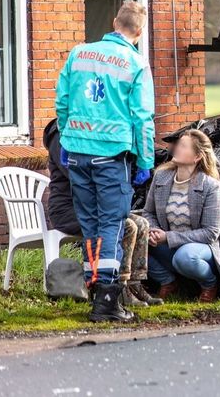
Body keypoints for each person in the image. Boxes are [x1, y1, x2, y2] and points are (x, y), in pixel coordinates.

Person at [55, 1, 155, 322]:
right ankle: (107, 301)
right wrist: (145, 160)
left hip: (79, 154)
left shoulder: (79, 53)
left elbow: (63, 102)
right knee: (111, 225)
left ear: (114, 22)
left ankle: (96, 291)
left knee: (90, 226)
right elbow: (143, 119)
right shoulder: (135, 63)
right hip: (112, 157)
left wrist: (68, 138)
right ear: (139, 32)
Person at [43, 120, 159, 307]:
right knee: (126, 226)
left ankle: (133, 283)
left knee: (141, 223)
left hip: (96, 205)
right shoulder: (61, 136)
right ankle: (116, 287)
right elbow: (77, 174)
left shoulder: (86, 128)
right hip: (68, 208)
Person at [142, 130, 220, 302]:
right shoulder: (161, 176)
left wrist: (167, 237)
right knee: (132, 238)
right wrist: (153, 231)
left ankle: (210, 284)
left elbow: (211, 233)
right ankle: (167, 281)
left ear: (197, 157)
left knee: (185, 257)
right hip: (167, 244)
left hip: (200, 248)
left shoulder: (211, 186)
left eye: (183, 146)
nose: (176, 148)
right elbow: (148, 212)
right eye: (178, 144)